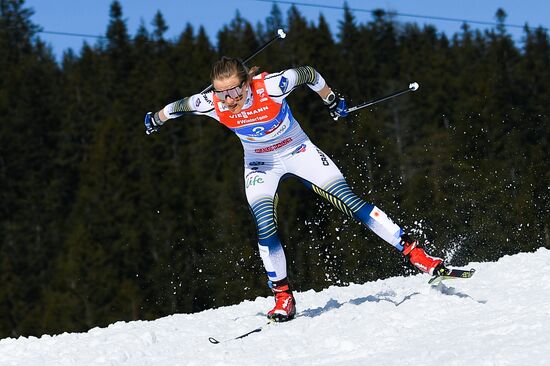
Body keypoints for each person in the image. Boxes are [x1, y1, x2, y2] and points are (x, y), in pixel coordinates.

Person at [144, 57, 447, 322]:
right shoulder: (210, 102)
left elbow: (309, 74)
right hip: (260, 165)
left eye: (235, 90)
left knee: (350, 202)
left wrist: (331, 100)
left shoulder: (272, 86)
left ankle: (416, 253)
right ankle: (283, 297)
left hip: (298, 151)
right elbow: (175, 108)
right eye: (221, 92)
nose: (229, 99)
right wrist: (154, 120)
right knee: (265, 226)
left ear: (247, 83)